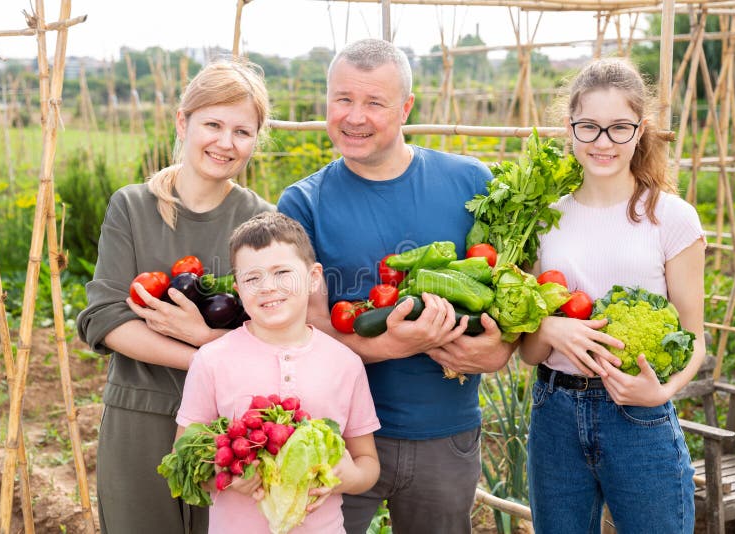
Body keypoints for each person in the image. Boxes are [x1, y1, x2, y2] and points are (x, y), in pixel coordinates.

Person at [277, 38, 516, 533]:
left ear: (406, 107)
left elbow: (512, 289)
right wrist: (392, 344)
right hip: (334, 435)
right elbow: (296, 332)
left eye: (374, 102)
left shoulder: (472, 183)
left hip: (444, 434)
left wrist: (501, 348)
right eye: (343, 99)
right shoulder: (302, 203)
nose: (354, 116)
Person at [76, 58, 275, 534]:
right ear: (183, 122)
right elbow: (105, 319)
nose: (226, 143)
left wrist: (205, 338)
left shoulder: (262, 222)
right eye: (213, 124)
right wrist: (207, 352)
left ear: (256, 140)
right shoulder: (132, 206)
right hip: (139, 415)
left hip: (233, 423)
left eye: (243, 132)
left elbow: (277, 331)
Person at [519, 57, 706, 533]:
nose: (603, 143)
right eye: (590, 127)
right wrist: (549, 326)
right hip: (555, 413)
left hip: (640, 420)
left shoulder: (673, 218)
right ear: (570, 128)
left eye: (619, 128)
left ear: (640, 131)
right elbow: (528, 352)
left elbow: (693, 338)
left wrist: (659, 390)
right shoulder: (543, 220)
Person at [175, 211, 381, 533]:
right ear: (238, 288)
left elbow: (368, 462)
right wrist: (222, 475)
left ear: (313, 277)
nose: (267, 287)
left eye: (282, 272)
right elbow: (183, 455)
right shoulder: (212, 360)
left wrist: (349, 477)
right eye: (252, 278)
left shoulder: (345, 363)